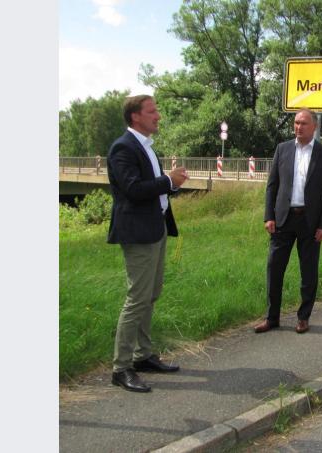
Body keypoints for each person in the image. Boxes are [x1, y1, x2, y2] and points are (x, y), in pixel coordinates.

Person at [106, 95, 189, 393]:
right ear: (136, 116)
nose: (158, 116)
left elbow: (151, 189)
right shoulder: (123, 148)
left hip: (156, 228)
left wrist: (171, 185)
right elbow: (133, 189)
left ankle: (142, 356)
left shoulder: (146, 147)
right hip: (138, 233)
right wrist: (168, 181)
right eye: (152, 111)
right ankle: (121, 368)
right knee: (137, 298)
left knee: (151, 294)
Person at [255, 108, 322, 334]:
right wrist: (269, 216)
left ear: (314, 126)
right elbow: (272, 185)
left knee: (308, 272)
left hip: (310, 222)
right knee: (274, 269)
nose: (298, 127)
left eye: (304, 123)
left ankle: (303, 317)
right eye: (296, 123)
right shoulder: (282, 149)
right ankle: (272, 318)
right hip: (283, 219)